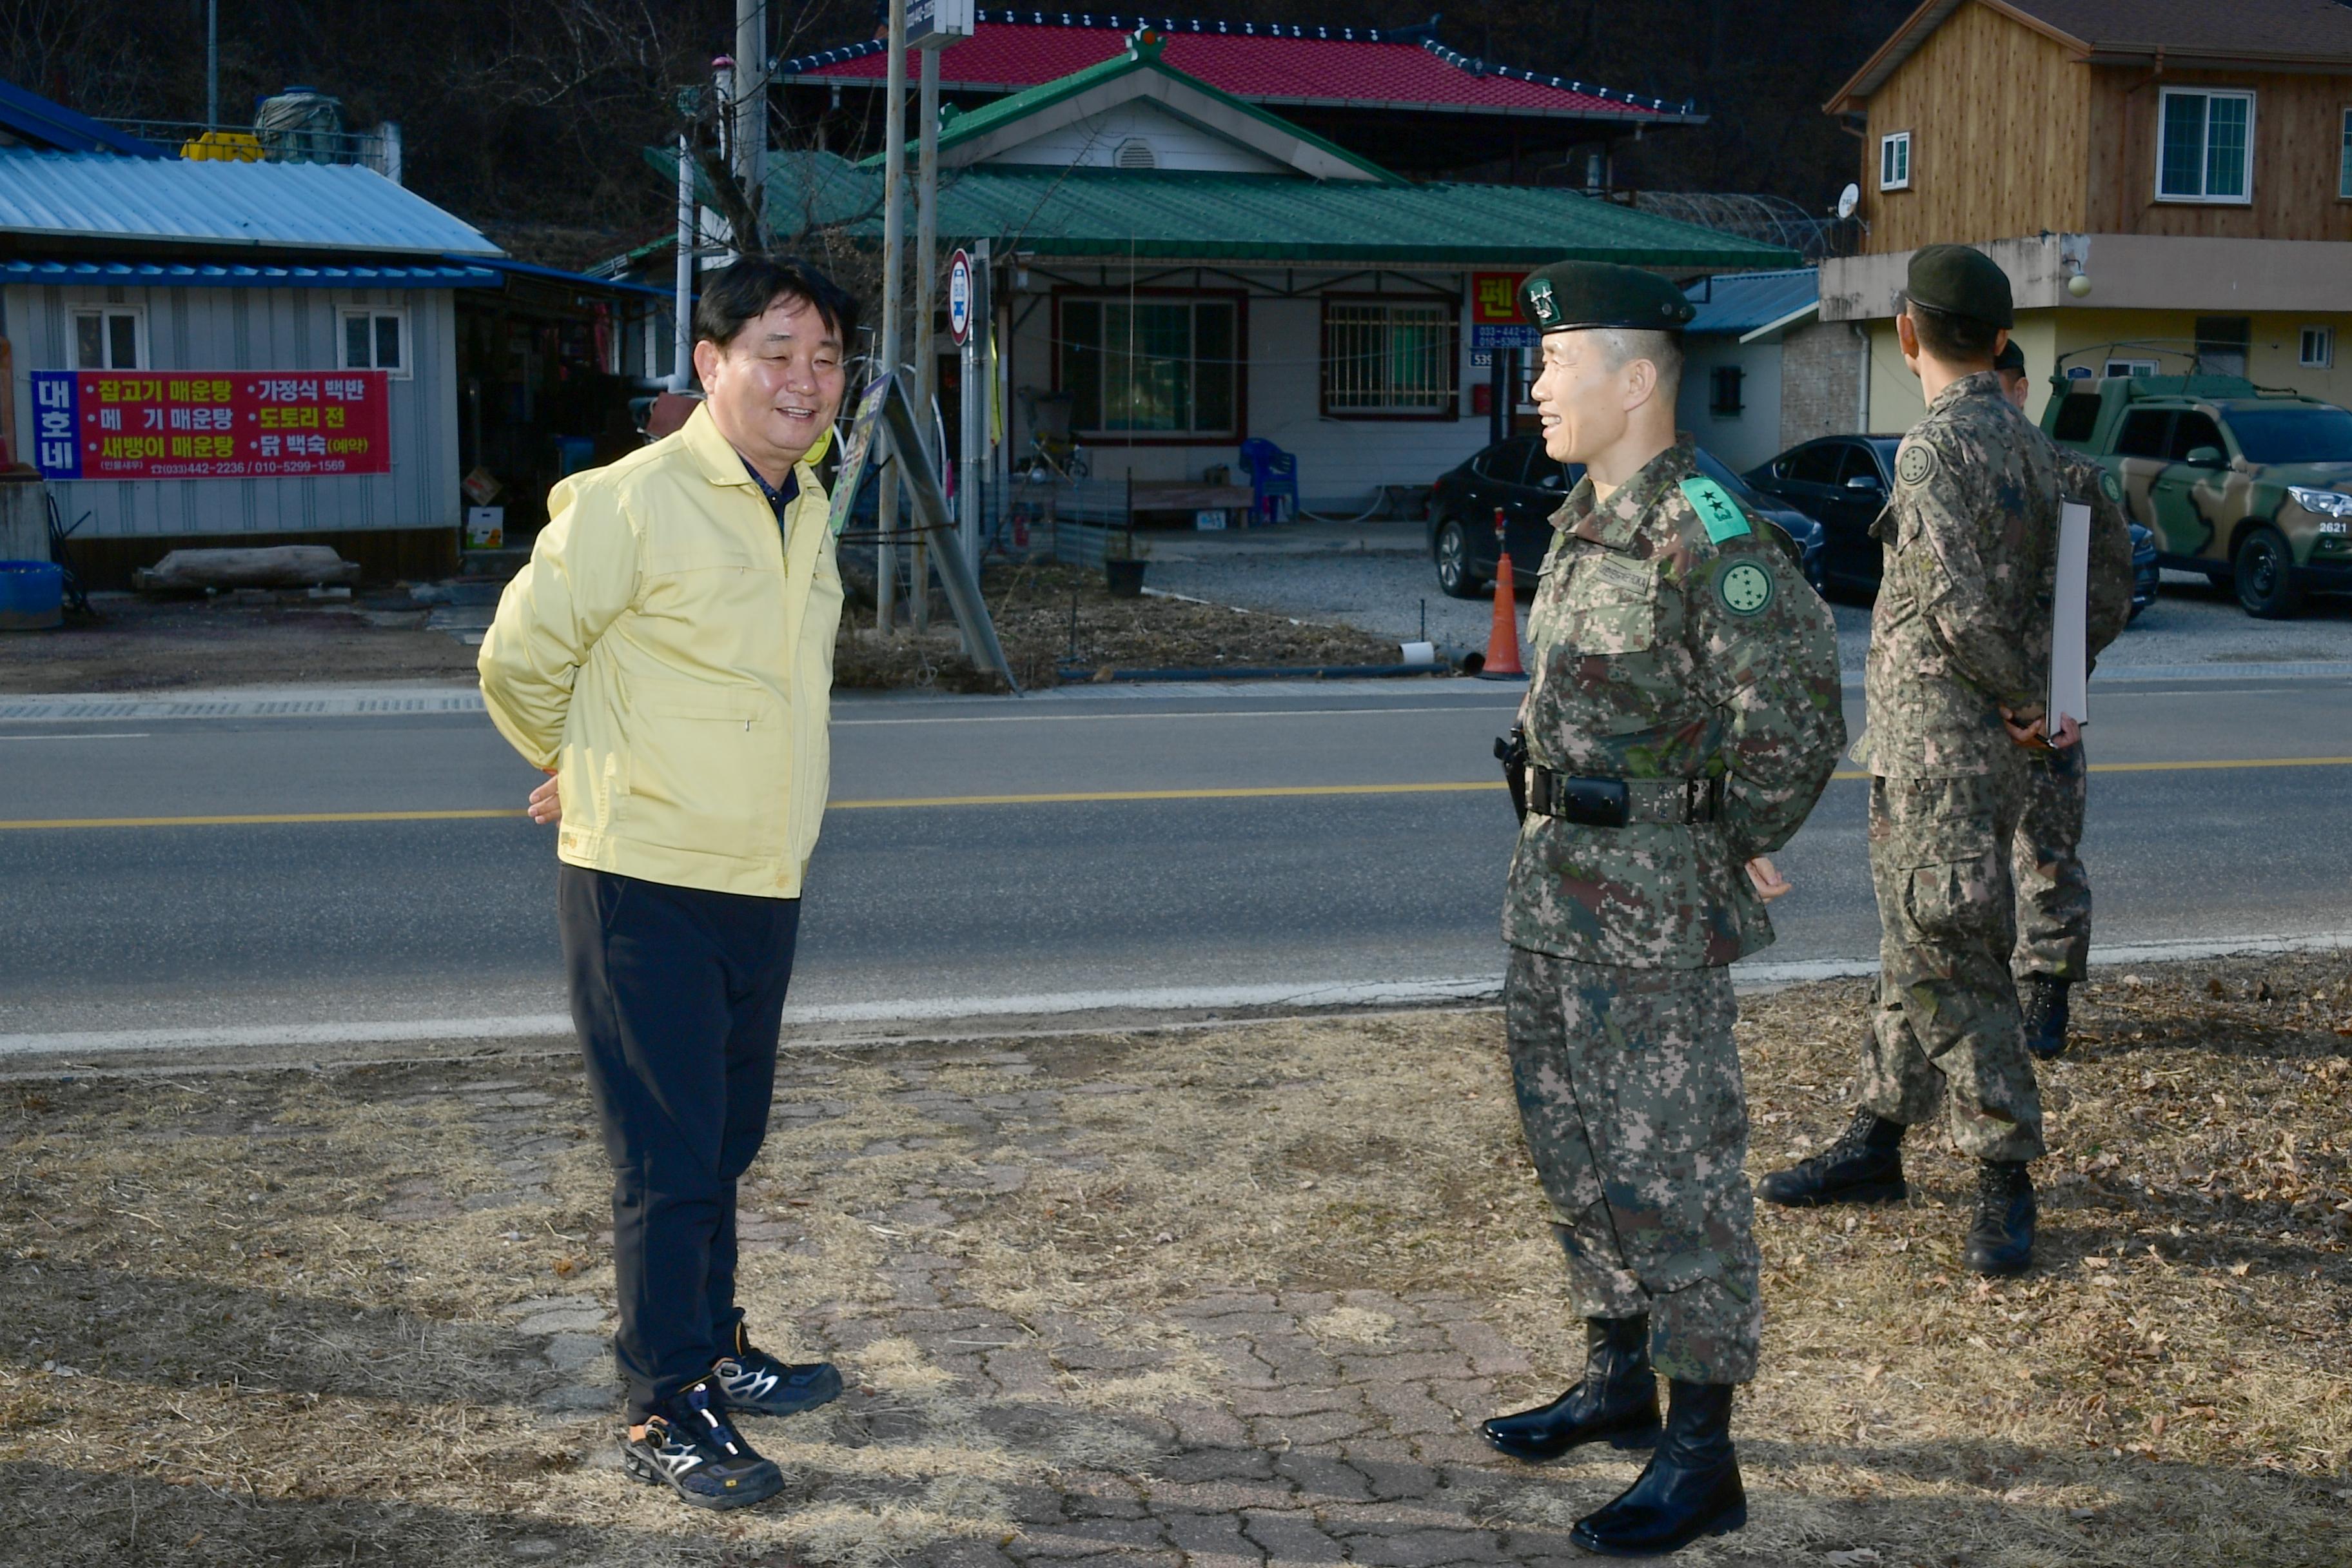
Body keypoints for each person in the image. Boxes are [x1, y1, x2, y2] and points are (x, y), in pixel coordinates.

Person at [1476, 260, 1845, 1556]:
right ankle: (1618, 1375)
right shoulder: (1588, 516)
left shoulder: (1706, 527)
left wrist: (1718, 843)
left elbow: (1799, 716)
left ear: (1634, 380)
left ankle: (1703, 1453)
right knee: (1573, 1150)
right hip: (1553, 898)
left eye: (1554, 364)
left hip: (1646, 916)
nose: (1534, 387)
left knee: (1674, 1174)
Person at [477, 255, 857, 1511]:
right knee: (670, 1153)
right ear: (710, 364)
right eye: (778, 352)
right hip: (645, 882)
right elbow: (516, 659)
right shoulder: (630, 500)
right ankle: (661, 1401)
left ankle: (716, 1340)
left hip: (762, 877)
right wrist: (579, 765)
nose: (806, 381)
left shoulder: (804, 501)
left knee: (726, 1139)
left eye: (826, 358)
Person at [1757, 246, 2065, 1277]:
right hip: (1980, 746)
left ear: (1906, 331)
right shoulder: (2028, 443)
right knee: (1915, 937)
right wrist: (2051, 703)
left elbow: (1953, 604)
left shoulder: (1934, 451)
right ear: (1997, 336)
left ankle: (2003, 1172)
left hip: (1943, 745)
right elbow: (2076, 589)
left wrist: (2027, 699)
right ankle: (1880, 1139)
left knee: (1949, 953)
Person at [1994, 342, 2135, 1057]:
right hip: (1968, 704)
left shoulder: (2073, 479)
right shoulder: (1952, 480)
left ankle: (2047, 990)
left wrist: (2065, 678)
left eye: (1997, 388)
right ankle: (1970, 991)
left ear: (2021, 391)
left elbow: (2109, 592)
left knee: (2047, 851)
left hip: (2046, 701)